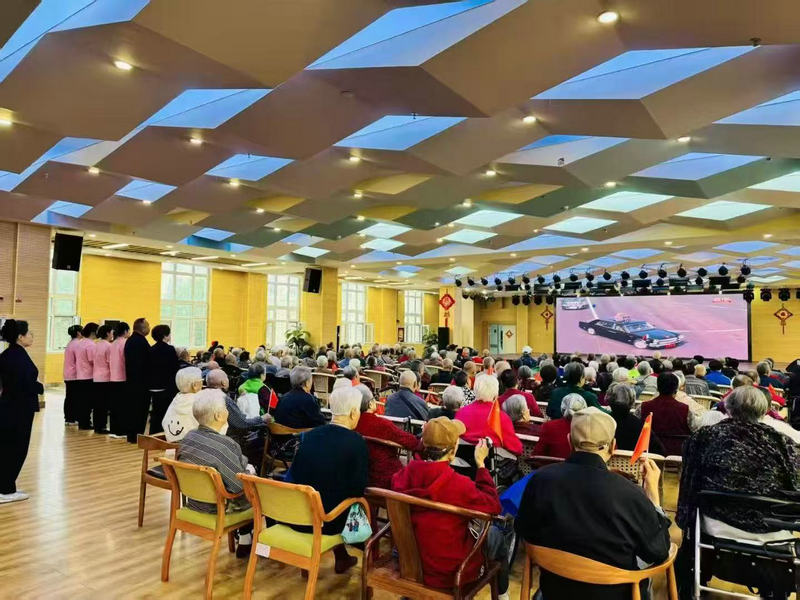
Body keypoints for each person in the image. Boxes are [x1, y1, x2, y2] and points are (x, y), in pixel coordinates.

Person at [516, 407, 671, 600]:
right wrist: (653, 496)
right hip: (615, 595)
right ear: (613, 446)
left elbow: (525, 530)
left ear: (569, 442)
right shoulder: (630, 494)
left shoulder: (540, 480)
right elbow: (659, 551)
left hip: (554, 590)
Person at [676, 386, 800, 596]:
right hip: (772, 529)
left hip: (716, 522)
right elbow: (795, 488)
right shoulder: (783, 444)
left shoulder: (703, 437)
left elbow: (689, 482)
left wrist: (684, 520)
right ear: (765, 411)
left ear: (728, 408)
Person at [391, 419, 510, 599]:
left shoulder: (402, 476)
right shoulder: (459, 485)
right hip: (451, 572)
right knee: (496, 535)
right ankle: (503, 595)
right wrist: (481, 465)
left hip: (409, 562)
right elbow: (493, 506)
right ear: (453, 451)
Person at [287, 386, 368, 573]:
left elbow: (296, 473)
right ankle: (365, 559)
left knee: (329, 493)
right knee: (358, 505)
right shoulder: (356, 442)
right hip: (328, 521)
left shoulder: (309, 435)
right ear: (353, 413)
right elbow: (358, 488)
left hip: (299, 514)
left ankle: (342, 556)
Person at [177, 389, 254, 557]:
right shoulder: (226, 444)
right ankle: (248, 539)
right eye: (226, 408)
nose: (228, 412)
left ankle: (246, 538)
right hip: (218, 508)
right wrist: (249, 470)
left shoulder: (188, 437)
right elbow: (238, 487)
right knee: (253, 485)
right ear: (219, 415)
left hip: (194, 502)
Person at [0, 320, 44, 503]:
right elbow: (23, 384)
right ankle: (5, 489)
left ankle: (6, 486)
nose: (31, 335)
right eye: (28, 333)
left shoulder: (8, 354)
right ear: (20, 336)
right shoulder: (17, 357)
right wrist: (39, 387)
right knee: (16, 448)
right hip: (18, 408)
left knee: (8, 446)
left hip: (9, 406)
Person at [354, 388, 420, 488]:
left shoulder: (351, 425)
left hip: (359, 478)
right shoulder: (382, 425)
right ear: (370, 404)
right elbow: (411, 442)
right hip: (386, 480)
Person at [455, 375, 522, 455]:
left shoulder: (460, 413)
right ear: (496, 395)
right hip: (492, 460)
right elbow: (516, 448)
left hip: (462, 459)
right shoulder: (501, 418)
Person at [640, 372, 696, 455]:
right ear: (676, 389)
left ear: (658, 388)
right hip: (677, 455)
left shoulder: (644, 407)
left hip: (649, 453)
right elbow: (694, 429)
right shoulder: (685, 409)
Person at [608, 384, 666, 455]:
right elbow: (660, 451)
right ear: (632, 401)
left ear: (609, 400)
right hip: (634, 461)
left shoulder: (602, 422)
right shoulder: (640, 426)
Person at [146, 324, 179, 436]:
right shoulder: (170, 349)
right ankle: (163, 435)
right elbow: (174, 368)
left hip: (153, 385)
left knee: (155, 411)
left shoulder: (151, 349)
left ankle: (153, 434)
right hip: (166, 386)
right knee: (165, 412)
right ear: (165, 335)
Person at [533, 393, 586, 458]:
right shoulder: (589, 429)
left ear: (563, 407)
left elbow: (537, 454)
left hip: (552, 464)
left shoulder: (549, 426)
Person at [124, 318, 151, 444]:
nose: (149, 328)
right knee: (139, 410)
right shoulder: (140, 342)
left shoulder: (130, 340)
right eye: (148, 326)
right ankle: (137, 435)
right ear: (142, 328)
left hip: (131, 380)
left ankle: (132, 435)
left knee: (132, 409)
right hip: (141, 382)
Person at [162, 367, 204, 442]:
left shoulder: (176, 400)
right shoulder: (199, 402)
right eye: (201, 381)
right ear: (194, 385)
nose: (202, 384)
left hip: (172, 443)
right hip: (193, 445)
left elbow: (164, 422)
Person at [108, 321, 129, 439]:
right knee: (123, 406)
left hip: (112, 377)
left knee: (114, 405)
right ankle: (121, 431)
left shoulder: (113, 343)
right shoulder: (125, 343)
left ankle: (113, 429)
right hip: (122, 377)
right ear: (125, 331)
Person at [75, 322, 98, 430]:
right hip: (88, 376)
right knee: (88, 402)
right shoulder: (91, 345)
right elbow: (92, 360)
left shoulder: (80, 343)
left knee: (82, 401)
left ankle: (82, 422)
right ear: (93, 332)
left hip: (80, 375)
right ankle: (85, 423)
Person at [92, 324, 113, 434]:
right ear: (107, 333)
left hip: (96, 377)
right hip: (105, 377)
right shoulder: (108, 346)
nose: (112, 334)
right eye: (111, 332)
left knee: (97, 403)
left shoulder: (96, 345)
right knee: (104, 404)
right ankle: (102, 426)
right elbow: (110, 362)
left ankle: (97, 426)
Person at [63, 324, 82, 425]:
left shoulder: (70, 343)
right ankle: (72, 418)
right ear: (78, 333)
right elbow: (79, 360)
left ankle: (68, 418)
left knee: (69, 397)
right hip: (74, 374)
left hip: (68, 374)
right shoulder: (77, 344)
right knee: (75, 397)